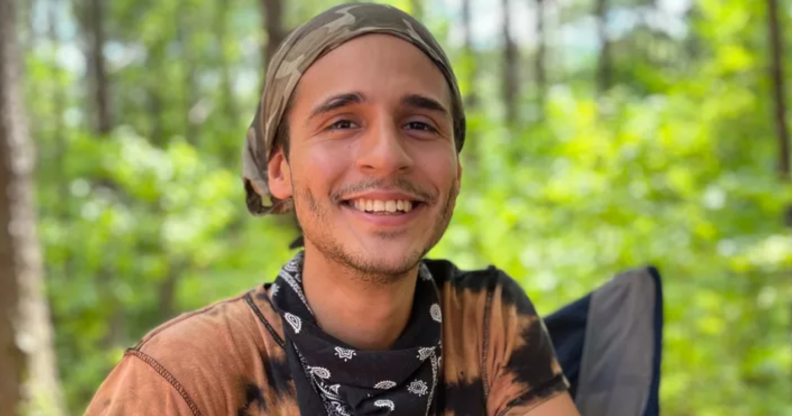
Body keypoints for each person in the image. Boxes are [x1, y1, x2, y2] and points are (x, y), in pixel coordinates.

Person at [86, 3, 581, 416]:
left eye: (421, 126)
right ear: (279, 172)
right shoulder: (184, 376)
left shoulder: (485, 321)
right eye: (343, 123)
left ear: (456, 168)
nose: (387, 155)